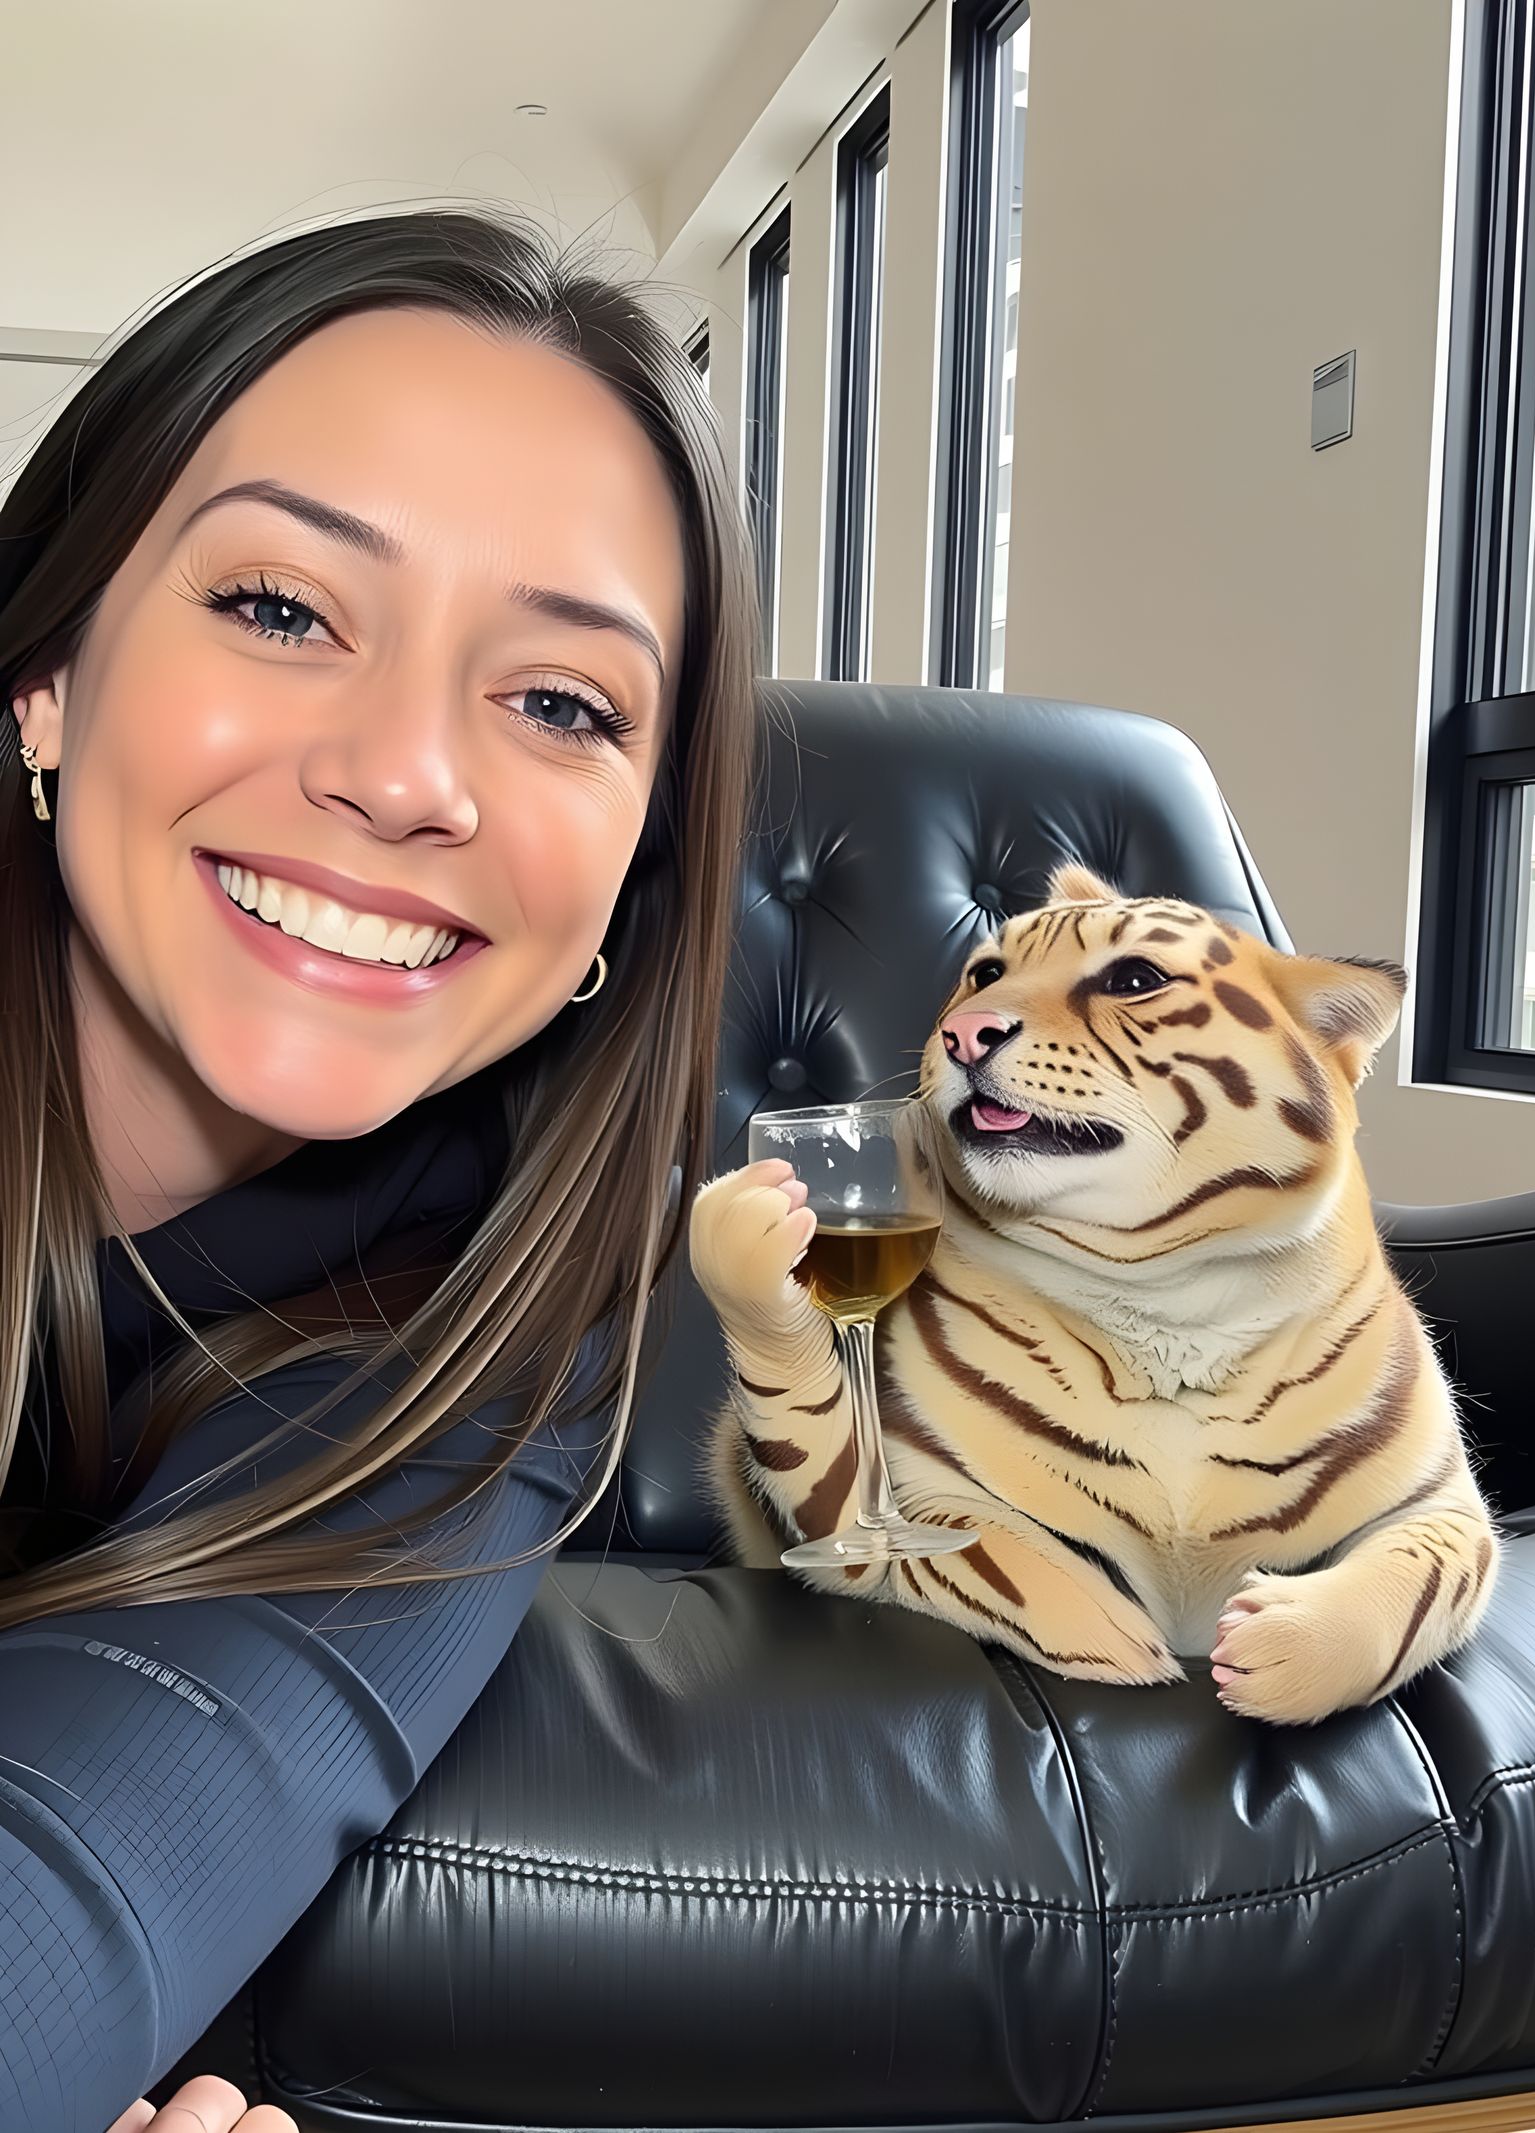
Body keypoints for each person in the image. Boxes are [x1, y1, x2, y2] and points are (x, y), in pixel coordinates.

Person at [0, 207, 758, 2133]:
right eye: (278, 607)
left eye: (563, 704)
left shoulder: (481, 1345)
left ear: (630, 876)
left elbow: (69, 1904)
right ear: (49, 675)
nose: (412, 772)